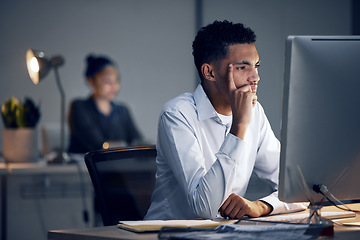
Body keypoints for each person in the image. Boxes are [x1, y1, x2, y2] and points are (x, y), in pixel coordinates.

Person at [145, 20, 306, 220]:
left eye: (256, 66)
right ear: (209, 72)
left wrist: (261, 206)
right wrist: (239, 126)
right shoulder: (177, 114)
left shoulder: (255, 112)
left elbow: (299, 187)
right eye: (242, 67)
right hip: (169, 234)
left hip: (224, 233)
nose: (255, 77)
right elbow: (204, 208)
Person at [68, 54, 142, 153]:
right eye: (107, 81)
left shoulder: (122, 110)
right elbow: (95, 144)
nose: (113, 86)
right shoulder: (80, 107)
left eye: (116, 80)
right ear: (91, 81)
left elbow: (137, 140)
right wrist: (124, 145)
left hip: (116, 165)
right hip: (84, 166)